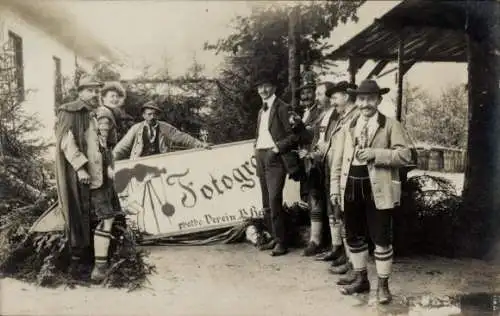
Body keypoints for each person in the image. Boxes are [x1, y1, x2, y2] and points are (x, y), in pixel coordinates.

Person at [330, 79, 412, 304]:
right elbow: (337, 161)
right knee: (354, 236)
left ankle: (383, 287)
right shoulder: (349, 127)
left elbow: (405, 156)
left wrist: (376, 154)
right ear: (356, 101)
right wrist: (335, 189)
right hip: (350, 188)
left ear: (378, 100)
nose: (365, 103)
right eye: (361, 99)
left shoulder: (390, 125)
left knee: (381, 239)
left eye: (370, 99)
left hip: (379, 189)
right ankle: (361, 278)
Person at [55, 76, 121, 282]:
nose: (94, 94)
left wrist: (109, 164)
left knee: (106, 216)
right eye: (90, 90)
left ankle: (99, 267)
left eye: (96, 91)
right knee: (79, 218)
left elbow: (102, 146)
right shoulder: (70, 112)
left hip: (99, 177)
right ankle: (80, 268)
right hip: (81, 177)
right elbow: (66, 142)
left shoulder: (95, 114)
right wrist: (80, 168)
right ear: (80, 91)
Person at [254, 71, 302, 256]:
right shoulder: (261, 110)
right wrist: (256, 148)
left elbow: (295, 135)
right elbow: (261, 134)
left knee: (274, 201)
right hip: (261, 156)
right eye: (260, 87)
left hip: (274, 158)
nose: (263, 90)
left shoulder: (283, 107)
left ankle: (282, 242)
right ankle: (274, 238)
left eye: (266, 86)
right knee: (266, 201)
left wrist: (277, 148)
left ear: (274, 87)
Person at [316, 82, 359, 280]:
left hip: (351, 175)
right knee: (340, 216)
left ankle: (354, 266)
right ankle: (348, 260)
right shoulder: (343, 118)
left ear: (347, 96)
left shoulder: (356, 117)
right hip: (337, 172)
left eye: (335, 97)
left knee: (350, 221)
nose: (332, 102)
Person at [298, 80, 337, 256]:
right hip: (316, 164)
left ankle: (336, 246)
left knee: (332, 204)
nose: (317, 97)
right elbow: (314, 137)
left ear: (330, 96)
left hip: (330, 164)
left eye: (320, 94)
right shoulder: (321, 115)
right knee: (315, 200)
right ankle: (315, 240)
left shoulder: (337, 115)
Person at [113, 101, 209, 160]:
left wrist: (200, 144)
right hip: (140, 164)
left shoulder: (164, 127)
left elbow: (182, 137)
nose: (152, 117)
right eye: (149, 114)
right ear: (144, 115)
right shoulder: (136, 129)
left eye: (155, 114)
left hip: (160, 163)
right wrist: (112, 161)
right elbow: (122, 147)